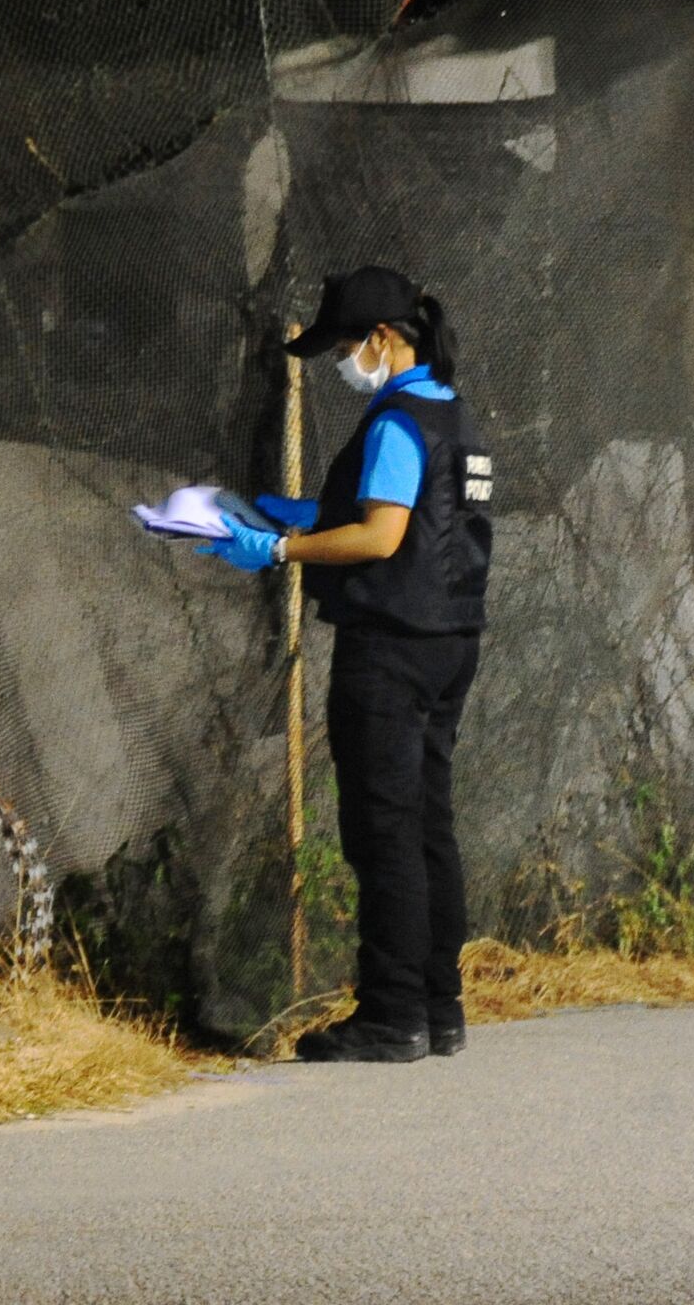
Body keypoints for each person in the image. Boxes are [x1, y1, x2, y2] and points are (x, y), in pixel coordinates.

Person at [205, 265, 493, 1064]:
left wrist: (279, 549)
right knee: (428, 823)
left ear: (384, 338)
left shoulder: (396, 421)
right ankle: (438, 1007)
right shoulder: (454, 414)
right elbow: (415, 516)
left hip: (390, 647)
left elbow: (381, 535)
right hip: (450, 641)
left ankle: (391, 1016)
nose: (340, 362)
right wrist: (299, 513)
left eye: (342, 347)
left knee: (383, 830)